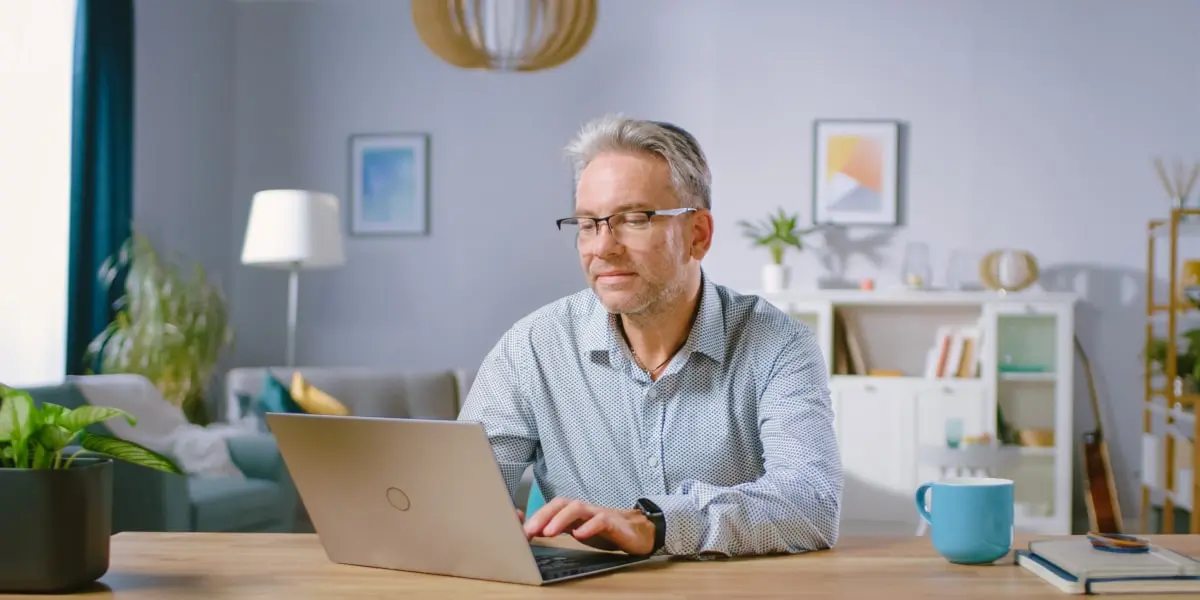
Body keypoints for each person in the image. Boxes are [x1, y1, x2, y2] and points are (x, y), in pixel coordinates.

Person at [457, 114, 842, 559]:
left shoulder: (779, 344)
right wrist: (472, 519)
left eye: (634, 219)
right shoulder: (531, 349)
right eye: (588, 223)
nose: (602, 248)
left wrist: (657, 524)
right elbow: (462, 499)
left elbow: (812, 502)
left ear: (697, 235)